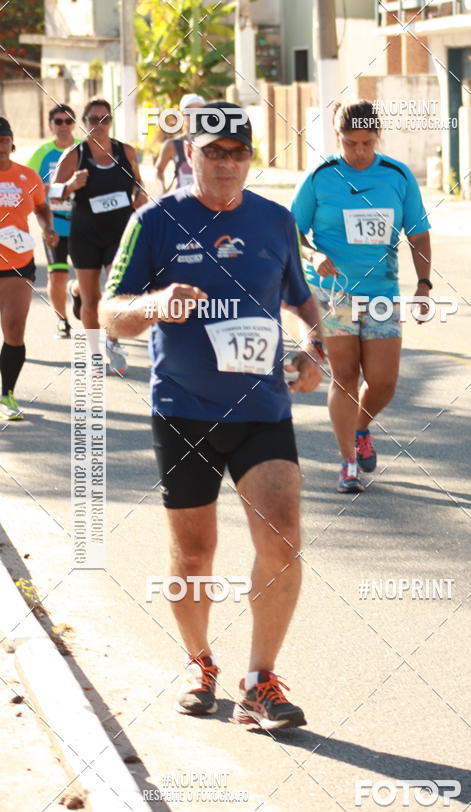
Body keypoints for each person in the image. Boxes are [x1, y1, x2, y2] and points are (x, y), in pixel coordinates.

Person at [100, 102, 323, 729]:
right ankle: (200, 663)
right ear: (188, 155)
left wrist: (313, 351)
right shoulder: (156, 221)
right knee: (194, 554)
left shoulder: (275, 221)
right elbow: (110, 313)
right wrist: (155, 303)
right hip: (184, 410)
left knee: (281, 533)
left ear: (250, 159)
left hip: (262, 409)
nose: (226, 166)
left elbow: (306, 304)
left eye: (238, 154)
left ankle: (261, 682)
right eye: (213, 153)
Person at [291, 100, 432, 493]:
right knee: (346, 376)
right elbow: (293, 230)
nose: (358, 152)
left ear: (377, 138)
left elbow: (418, 234)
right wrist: (314, 253)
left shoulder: (397, 176)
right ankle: (347, 463)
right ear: (338, 139)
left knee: (384, 382)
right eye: (351, 144)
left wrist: (423, 284)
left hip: (382, 292)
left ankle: (360, 427)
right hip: (333, 292)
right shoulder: (320, 177)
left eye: (366, 144)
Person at [52, 97, 146, 374]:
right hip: (86, 236)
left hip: (120, 234)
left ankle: (113, 344)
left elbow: (139, 184)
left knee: (116, 293)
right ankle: (95, 352)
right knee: (92, 300)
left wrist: (140, 196)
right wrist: (69, 186)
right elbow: (51, 195)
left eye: (105, 119)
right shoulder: (74, 156)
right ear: (85, 123)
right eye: (94, 119)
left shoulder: (125, 152)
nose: (100, 125)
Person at [0, 117, 58, 420]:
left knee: (13, 328)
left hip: (17, 262)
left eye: (3, 140)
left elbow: (42, 206)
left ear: (11, 142)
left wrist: (48, 227)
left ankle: (6, 394)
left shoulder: (27, 176)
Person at [27, 104, 79, 339]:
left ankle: (77, 291)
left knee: (88, 276)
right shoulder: (42, 154)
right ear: (50, 125)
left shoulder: (83, 149)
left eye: (68, 121)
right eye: (58, 122)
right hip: (54, 224)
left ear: (74, 124)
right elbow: (28, 188)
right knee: (57, 275)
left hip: (83, 225)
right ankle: (62, 320)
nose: (63, 127)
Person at [155, 93, 205, 193]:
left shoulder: (213, 143)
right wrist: (163, 191)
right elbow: (158, 170)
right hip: (181, 204)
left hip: (208, 205)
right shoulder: (172, 145)